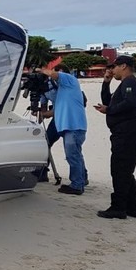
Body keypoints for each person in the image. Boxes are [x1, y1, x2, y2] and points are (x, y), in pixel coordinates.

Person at [94, 55, 136, 219]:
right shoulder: (124, 84)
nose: (112, 70)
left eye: (114, 67)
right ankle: (132, 207)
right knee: (125, 169)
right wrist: (106, 82)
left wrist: (109, 110)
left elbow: (130, 103)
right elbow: (108, 101)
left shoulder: (130, 82)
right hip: (122, 131)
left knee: (120, 169)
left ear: (123, 66)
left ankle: (119, 207)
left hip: (127, 130)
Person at [38, 64, 88, 195]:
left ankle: (77, 185)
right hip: (66, 125)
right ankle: (80, 181)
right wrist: (40, 113)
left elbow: (55, 75)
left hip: (73, 125)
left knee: (73, 155)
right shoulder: (62, 92)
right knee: (74, 154)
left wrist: (41, 71)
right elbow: (53, 111)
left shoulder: (69, 79)